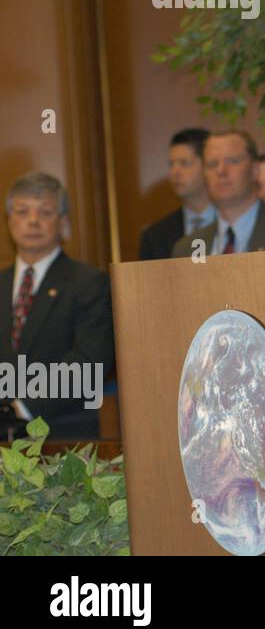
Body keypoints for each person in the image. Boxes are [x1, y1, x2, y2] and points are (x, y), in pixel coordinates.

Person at [1, 173, 114, 440]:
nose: (32, 220)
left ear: (63, 222)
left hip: (64, 437)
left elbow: (89, 362)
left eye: (45, 212)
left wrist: (21, 407)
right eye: (22, 211)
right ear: (8, 221)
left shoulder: (89, 283)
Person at [172, 130, 265, 256]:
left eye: (232, 161)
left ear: (255, 170)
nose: (221, 171)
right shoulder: (188, 248)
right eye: (212, 164)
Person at [138, 127, 214, 261]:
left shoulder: (231, 223)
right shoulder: (155, 236)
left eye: (184, 163)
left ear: (208, 165)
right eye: (171, 164)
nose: (175, 172)